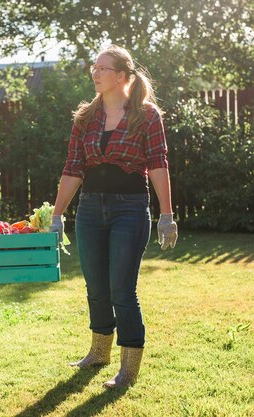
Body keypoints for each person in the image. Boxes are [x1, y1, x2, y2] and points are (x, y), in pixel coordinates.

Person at [49, 45, 178, 388]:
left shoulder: (147, 116)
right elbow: (73, 168)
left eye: (103, 68)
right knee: (95, 287)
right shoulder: (85, 118)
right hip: (90, 208)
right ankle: (98, 352)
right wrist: (58, 214)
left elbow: (157, 164)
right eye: (94, 67)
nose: (95, 72)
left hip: (130, 208)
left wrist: (166, 214)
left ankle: (129, 368)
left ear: (122, 76)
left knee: (122, 289)